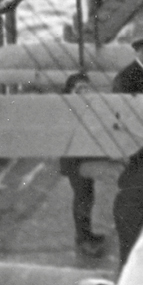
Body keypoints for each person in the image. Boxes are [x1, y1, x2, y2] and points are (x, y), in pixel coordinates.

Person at [57, 73, 106, 257]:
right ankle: (83, 239)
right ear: (70, 91)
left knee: (88, 196)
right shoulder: (68, 110)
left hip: (85, 159)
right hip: (75, 162)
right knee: (82, 198)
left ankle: (87, 234)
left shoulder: (86, 107)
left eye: (86, 88)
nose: (84, 92)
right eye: (79, 89)